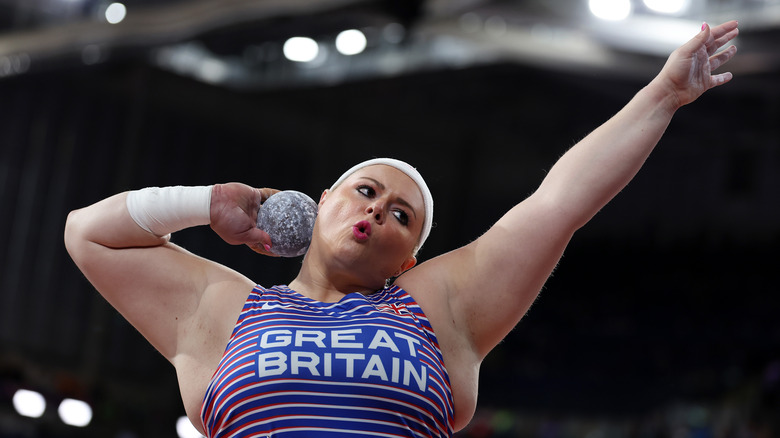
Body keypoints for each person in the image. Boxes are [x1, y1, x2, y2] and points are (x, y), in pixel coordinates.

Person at [64, 20, 739, 437]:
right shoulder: (223, 310)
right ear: (322, 200)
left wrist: (662, 95)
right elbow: (87, 233)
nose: (377, 212)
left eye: (400, 216)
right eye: (365, 192)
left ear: (411, 255)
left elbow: (556, 204)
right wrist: (205, 204)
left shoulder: (439, 307)